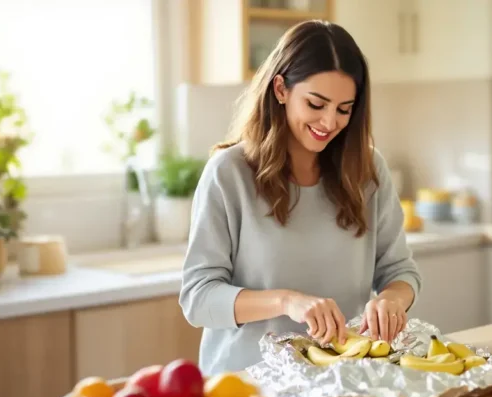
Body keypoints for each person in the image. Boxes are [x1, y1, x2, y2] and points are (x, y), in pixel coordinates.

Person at [179, 20, 422, 376]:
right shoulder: (229, 174)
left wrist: (390, 301)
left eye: (344, 109)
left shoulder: (368, 170)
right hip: (248, 389)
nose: (329, 121)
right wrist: (286, 301)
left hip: (342, 381)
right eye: (316, 103)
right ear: (281, 89)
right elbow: (198, 299)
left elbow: (400, 271)